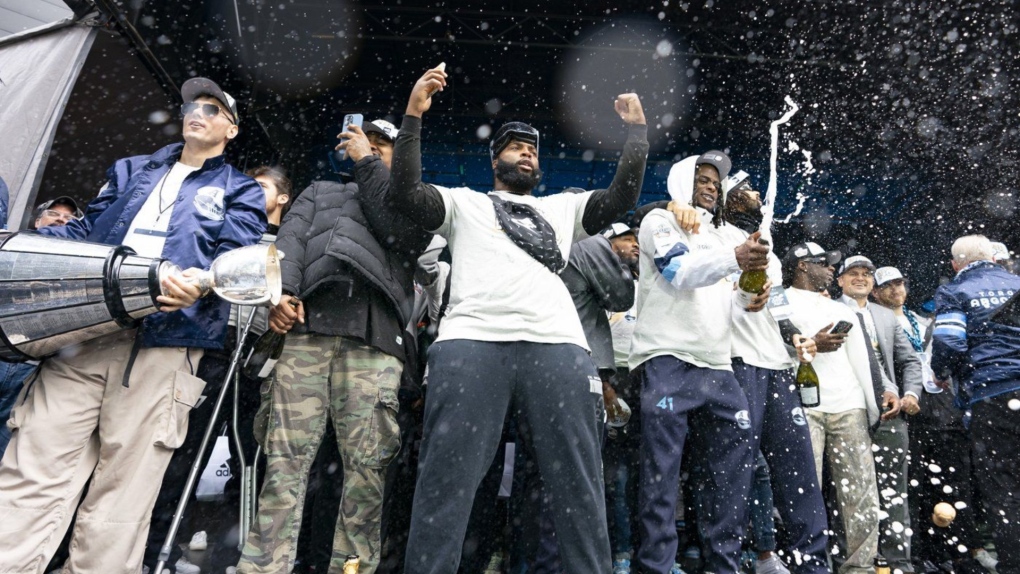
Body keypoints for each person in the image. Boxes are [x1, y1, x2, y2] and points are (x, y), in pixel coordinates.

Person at [388, 64, 648, 574]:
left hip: (560, 348)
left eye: (532, 147)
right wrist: (414, 115)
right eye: (513, 145)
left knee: (579, 483)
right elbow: (404, 192)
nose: (526, 151)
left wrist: (637, 135)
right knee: (446, 480)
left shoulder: (563, 208)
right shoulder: (463, 203)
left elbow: (621, 199)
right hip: (471, 343)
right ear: (494, 160)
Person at [0, 77, 266, 573]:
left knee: (123, 495)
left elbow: (238, 257)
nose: (198, 113)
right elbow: (85, 231)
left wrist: (203, 283)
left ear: (230, 129)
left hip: (166, 348)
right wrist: (23, 247)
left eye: (213, 109)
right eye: (193, 105)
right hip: (85, 334)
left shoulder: (240, 189)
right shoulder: (129, 170)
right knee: (31, 470)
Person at [236, 119, 430, 574]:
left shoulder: (414, 205)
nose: (373, 149)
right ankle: (264, 568)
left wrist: (367, 162)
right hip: (307, 332)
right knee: (284, 463)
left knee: (366, 470)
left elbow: (404, 243)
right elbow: (288, 245)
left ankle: (352, 568)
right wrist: (279, 296)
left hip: (376, 340)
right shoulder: (320, 190)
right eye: (369, 142)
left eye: (384, 147)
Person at [144, 165, 291, 574]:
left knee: (251, 460)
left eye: (260, 187)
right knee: (185, 453)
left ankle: (232, 553)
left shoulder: (291, 243)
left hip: (259, 361)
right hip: (214, 347)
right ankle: (162, 547)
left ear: (283, 199)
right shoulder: (229, 228)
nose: (248, 191)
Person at [629, 150, 770, 574]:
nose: (711, 186)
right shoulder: (659, 222)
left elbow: (733, 298)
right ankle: (655, 566)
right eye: (702, 178)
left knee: (728, 479)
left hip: (718, 365)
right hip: (667, 359)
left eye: (715, 181)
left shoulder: (726, 237)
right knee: (661, 475)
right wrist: (736, 260)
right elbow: (679, 272)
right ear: (679, 181)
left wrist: (751, 295)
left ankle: (722, 565)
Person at [720, 171, 830, 574]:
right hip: (735, 362)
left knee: (799, 471)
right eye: (746, 189)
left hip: (778, 368)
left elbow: (778, 307)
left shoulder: (768, 246)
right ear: (729, 199)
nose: (756, 194)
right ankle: (733, 559)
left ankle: (813, 565)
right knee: (736, 469)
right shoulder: (713, 238)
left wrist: (797, 336)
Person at [781, 242, 898, 574]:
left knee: (861, 493)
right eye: (824, 263)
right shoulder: (777, 300)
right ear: (802, 266)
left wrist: (877, 398)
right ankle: (808, 564)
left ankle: (859, 568)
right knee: (805, 492)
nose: (832, 269)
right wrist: (807, 344)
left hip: (850, 407)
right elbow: (771, 345)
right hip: (804, 407)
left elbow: (866, 362)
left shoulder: (843, 309)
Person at [870, 267, 991, 574]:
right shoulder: (874, 323)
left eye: (900, 282)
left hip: (942, 411)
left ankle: (959, 552)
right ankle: (918, 553)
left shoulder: (922, 321)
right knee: (913, 486)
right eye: (888, 285)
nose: (896, 289)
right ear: (875, 292)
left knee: (954, 483)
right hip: (907, 412)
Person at [931, 235, 1020, 574]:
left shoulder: (955, 289)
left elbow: (950, 340)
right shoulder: (1016, 282)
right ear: (995, 259)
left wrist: (942, 371)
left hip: (991, 396)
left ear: (956, 265)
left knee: (1003, 488)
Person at [836, 255, 921, 573]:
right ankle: (857, 561)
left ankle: (899, 562)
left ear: (872, 283)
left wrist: (910, 393)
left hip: (890, 412)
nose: (860, 278)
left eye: (866, 274)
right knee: (848, 490)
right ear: (840, 280)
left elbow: (910, 361)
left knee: (894, 489)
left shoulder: (885, 317)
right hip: (847, 408)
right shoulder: (830, 309)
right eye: (853, 273)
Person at [0, 196, 84, 460]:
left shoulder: (80, 265)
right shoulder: (10, 250)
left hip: (32, 368)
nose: (61, 220)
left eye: (70, 218)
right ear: (37, 222)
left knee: (7, 446)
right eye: (53, 214)